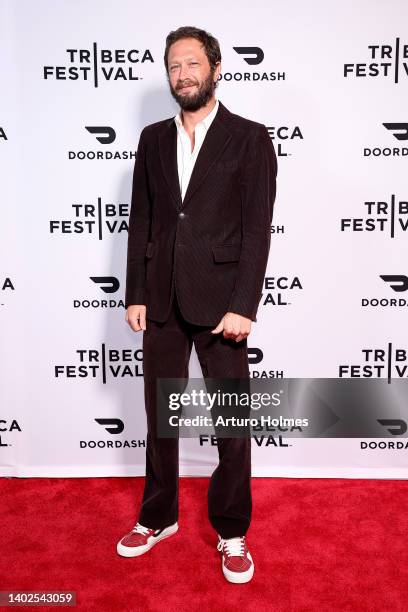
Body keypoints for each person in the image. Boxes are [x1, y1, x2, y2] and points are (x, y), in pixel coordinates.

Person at [116, 25, 277, 584]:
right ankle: (157, 517)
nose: (181, 74)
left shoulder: (250, 138)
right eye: (173, 66)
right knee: (160, 418)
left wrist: (244, 303)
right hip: (159, 298)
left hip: (222, 303)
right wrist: (136, 291)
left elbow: (257, 230)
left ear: (214, 68)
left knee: (232, 424)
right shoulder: (152, 139)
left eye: (191, 64)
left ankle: (232, 531)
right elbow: (144, 221)